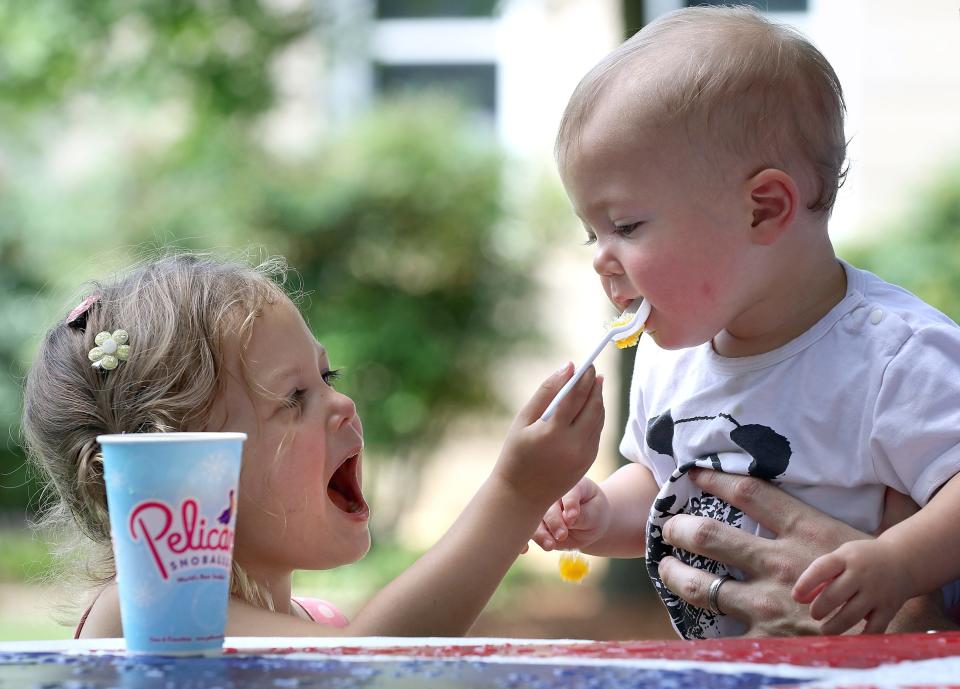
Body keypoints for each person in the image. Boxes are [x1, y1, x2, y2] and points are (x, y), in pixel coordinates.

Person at [531, 5, 960, 639]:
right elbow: (662, 486)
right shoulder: (667, 357)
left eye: (625, 226)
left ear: (763, 209)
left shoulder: (896, 356)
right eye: (590, 232)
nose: (600, 257)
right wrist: (599, 515)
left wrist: (897, 563)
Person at [22, 252, 605, 638]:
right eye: (293, 397)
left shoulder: (322, 626)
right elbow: (367, 666)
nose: (342, 405)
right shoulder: (143, 615)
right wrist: (514, 494)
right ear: (174, 466)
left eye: (327, 379)